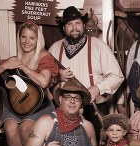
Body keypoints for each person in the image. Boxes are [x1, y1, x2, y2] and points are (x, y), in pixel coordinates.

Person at [0, 21, 59, 146]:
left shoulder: (43, 57)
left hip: (38, 106)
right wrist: (5, 66)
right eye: (23, 37)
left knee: (25, 129)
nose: (27, 41)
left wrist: (23, 67)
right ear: (19, 38)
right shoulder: (13, 58)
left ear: (38, 40)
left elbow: (44, 82)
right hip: (16, 106)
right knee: (10, 130)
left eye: (32, 38)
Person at [49, 6, 124, 137]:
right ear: (63, 28)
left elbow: (117, 76)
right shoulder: (54, 49)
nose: (74, 27)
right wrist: (57, 77)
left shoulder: (98, 46)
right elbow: (45, 80)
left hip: (93, 109)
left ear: (83, 24)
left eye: (77, 23)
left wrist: (98, 89)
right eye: (69, 24)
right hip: (63, 109)